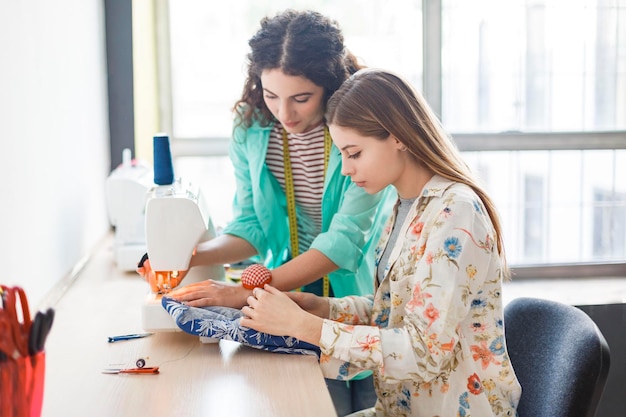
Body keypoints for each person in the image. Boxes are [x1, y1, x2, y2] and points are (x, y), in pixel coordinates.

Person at [137, 10, 394, 416]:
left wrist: (247, 292)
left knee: (354, 402)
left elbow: (344, 242)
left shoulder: (358, 135)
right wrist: (186, 255)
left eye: (301, 99)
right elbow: (251, 225)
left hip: (352, 298)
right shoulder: (251, 128)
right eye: (271, 95)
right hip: (282, 301)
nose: (284, 113)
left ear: (331, 85)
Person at [239, 68, 522, 417]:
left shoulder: (455, 212)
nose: (345, 169)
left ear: (398, 136)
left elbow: (423, 352)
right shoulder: (403, 205)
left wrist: (305, 327)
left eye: (354, 153)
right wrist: (319, 307)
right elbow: (392, 313)